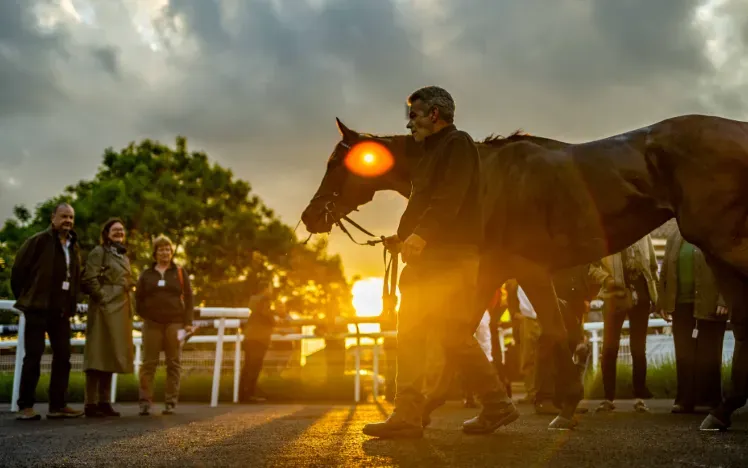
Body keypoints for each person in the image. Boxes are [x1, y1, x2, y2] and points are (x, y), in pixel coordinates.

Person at [362, 86, 517, 439]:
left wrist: (421, 235)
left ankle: (490, 404)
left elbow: (451, 195)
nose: (408, 124)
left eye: (413, 115)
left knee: (448, 334)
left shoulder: (457, 143)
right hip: (432, 257)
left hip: (450, 256)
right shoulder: (430, 154)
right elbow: (423, 204)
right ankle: (414, 413)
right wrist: (403, 237)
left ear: (434, 114)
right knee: (422, 333)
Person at [10, 202, 84, 420]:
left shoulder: (73, 246)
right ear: (53, 218)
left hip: (61, 312)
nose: (68, 221)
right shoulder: (38, 241)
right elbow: (17, 272)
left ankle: (58, 406)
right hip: (37, 309)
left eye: (71, 217)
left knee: (64, 356)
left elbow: (74, 277)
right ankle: (26, 407)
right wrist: (27, 298)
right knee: (33, 356)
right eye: (63, 217)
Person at [657, 227, 728, 413]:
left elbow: (726, 267)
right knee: (684, 354)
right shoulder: (674, 235)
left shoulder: (713, 233)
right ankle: (684, 400)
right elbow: (664, 269)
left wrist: (724, 299)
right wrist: (663, 302)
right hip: (680, 305)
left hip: (710, 303)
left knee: (709, 354)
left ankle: (711, 400)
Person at [589, 235, 659, 413]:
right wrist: (607, 280)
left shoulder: (645, 235)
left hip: (641, 295)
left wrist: (657, 297)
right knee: (610, 348)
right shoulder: (608, 234)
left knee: (638, 348)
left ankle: (640, 397)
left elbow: (652, 266)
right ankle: (608, 397)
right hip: (614, 295)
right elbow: (592, 267)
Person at [81, 218, 135, 417]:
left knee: (112, 354)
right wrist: (103, 298)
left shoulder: (123, 255)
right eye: (115, 230)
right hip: (103, 308)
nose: (119, 232)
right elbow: (89, 278)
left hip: (120, 308)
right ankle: (90, 403)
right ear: (106, 233)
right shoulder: (99, 252)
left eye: (122, 230)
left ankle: (104, 402)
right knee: (97, 355)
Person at [135, 235, 194, 416]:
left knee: (173, 363)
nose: (165, 252)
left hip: (175, 322)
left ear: (172, 252)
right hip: (152, 324)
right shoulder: (147, 274)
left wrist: (188, 323)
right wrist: (147, 315)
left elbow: (190, 298)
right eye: (161, 249)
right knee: (149, 364)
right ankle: (145, 402)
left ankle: (170, 402)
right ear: (155, 252)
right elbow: (138, 299)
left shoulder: (179, 272)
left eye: (168, 249)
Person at [239, 280, 286, 403]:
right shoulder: (265, 299)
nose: (271, 290)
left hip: (249, 336)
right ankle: (250, 395)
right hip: (259, 339)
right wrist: (276, 320)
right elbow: (266, 314)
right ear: (265, 288)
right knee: (254, 367)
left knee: (248, 367)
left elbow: (259, 315)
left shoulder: (253, 300)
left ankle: (242, 395)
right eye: (270, 287)